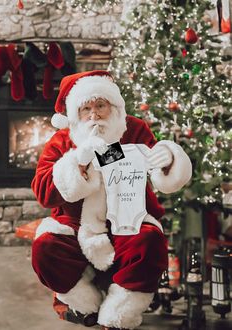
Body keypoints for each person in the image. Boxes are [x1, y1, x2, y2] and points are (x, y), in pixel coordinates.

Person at [31, 70, 192, 330]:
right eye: (86, 108)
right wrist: (77, 163)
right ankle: (85, 303)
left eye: (100, 105)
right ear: (75, 114)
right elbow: (42, 191)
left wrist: (167, 157)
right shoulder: (61, 140)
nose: (94, 115)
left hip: (131, 215)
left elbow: (160, 172)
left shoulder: (133, 128)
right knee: (46, 248)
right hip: (75, 224)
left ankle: (119, 313)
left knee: (148, 242)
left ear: (113, 106)